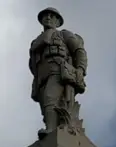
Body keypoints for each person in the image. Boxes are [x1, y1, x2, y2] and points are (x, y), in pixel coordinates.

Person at [28, 7, 88, 139]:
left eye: (52, 16)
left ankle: (51, 129)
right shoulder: (36, 42)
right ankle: (52, 126)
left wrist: (80, 69)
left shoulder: (64, 34)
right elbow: (32, 63)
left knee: (50, 98)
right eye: (45, 16)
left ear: (58, 21)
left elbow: (79, 51)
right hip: (42, 76)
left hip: (59, 71)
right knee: (46, 107)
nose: (48, 18)